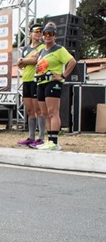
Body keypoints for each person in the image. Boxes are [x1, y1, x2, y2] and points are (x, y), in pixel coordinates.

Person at [34, 22, 76, 151]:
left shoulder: (59, 49)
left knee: (53, 112)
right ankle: (49, 140)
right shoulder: (42, 51)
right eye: (45, 33)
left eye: (50, 34)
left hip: (53, 83)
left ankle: (55, 141)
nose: (47, 36)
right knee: (45, 113)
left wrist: (62, 76)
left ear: (54, 36)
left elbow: (72, 61)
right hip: (41, 83)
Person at [17, 24, 46, 148]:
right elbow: (20, 65)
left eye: (41, 31)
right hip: (26, 80)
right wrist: (23, 61)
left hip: (36, 80)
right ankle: (31, 136)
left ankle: (41, 137)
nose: (39, 33)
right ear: (30, 33)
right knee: (29, 110)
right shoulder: (26, 48)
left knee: (38, 109)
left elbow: (36, 60)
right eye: (36, 31)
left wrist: (23, 60)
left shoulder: (43, 46)